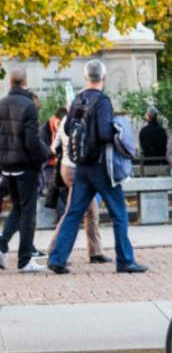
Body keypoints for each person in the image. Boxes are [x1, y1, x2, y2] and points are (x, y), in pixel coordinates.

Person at [48, 60, 147, 274]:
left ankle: (57, 258)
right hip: (101, 166)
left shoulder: (77, 99)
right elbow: (104, 133)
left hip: (80, 165)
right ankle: (125, 260)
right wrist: (118, 132)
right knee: (119, 213)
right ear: (103, 78)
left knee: (74, 212)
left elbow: (66, 127)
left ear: (86, 78)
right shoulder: (102, 102)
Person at [0, 68, 51, 272]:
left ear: (11, 82)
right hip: (24, 166)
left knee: (18, 209)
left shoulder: (1, 104)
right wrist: (44, 154)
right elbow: (32, 140)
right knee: (28, 212)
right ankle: (24, 259)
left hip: (6, 167)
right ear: (25, 82)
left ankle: (2, 244)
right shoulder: (28, 106)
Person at [47, 111, 111, 263]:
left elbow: (54, 147)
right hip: (78, 170)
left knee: (91, 211)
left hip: (66, 168)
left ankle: (95, 252)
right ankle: (54, 250)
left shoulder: (64, 121)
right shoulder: (85, 122)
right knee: (72, 212)